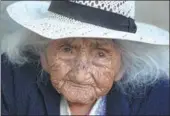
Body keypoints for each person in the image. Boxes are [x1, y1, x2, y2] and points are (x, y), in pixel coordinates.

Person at [1, 1, 169, 115]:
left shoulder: (157, 96)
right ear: (43, 55)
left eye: (100, 54)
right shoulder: (8, 79)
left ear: (122, 65)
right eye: (67, 50)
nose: (80, 75)